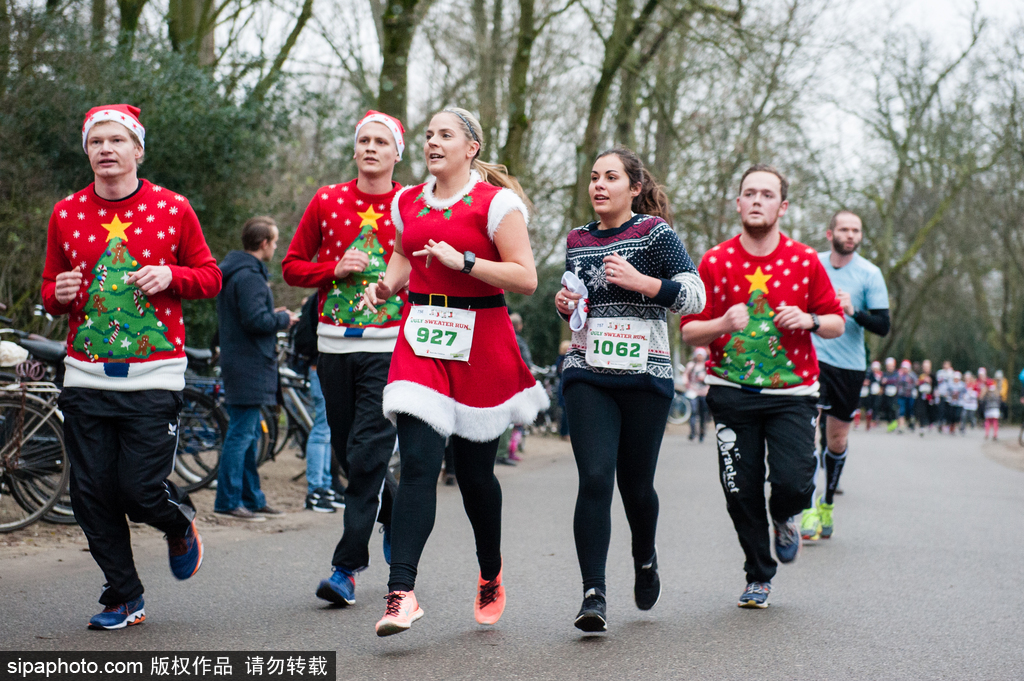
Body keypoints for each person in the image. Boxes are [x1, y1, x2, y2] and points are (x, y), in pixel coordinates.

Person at [361, 107, 548, 636]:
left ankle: (490, 570)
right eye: (428, 135)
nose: (433, 142)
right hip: (421, 336)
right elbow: (402, 256)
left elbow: (525, 277)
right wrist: (386, 287)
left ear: (472, 148)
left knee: (474, 476)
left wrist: (463, 261)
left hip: (481, 340)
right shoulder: (407, 201)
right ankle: (402, 593)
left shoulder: (496, 204)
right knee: (418, 464)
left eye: (446, 135)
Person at [41, 104, 221, 629]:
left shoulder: (173, 208)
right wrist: (60, 293)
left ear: (137, 149)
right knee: (92, 494)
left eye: (116, 140)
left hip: (155, 374)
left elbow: (210, 277)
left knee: (139, 490)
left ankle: (178, 521)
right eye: (96, 142)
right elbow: (50, 290)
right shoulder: (66, 213)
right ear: (88, 152)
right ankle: (123, 596)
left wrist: (171, 276)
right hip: (85, 375)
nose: (106, 150)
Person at [554, 147, 705, 632]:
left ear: (634, 188)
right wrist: (565, 303)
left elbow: (695, 295)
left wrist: (645, 283)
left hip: (644, 374)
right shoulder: (577, 238)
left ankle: (644, 557)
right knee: (595, 478)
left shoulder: (655, 234)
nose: (599, 185)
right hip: (587, 371)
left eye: (611, 177)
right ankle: (592, 593)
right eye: (594, 177)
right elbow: (579, 302)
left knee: (635, 486)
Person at [680, 164, 844, 609]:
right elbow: (689, 331)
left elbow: (835, 322)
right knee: (739, 489)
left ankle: (786, 514)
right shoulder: (715, 260)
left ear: (782, 207)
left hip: (792, 394)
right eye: (749, 193)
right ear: (738, 204)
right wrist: (721, 322)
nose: (757, 200)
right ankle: (758, 574)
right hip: (730, 391)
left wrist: (808, 319)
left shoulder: (806, 260)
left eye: (766, 194)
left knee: (792, 482)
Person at [281, 111, 406, 606]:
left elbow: (428, 265)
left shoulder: (411, 204)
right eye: (364, 141)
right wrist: (334, 269)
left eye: (382, 142)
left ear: (397, 154)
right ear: (354, 150)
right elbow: (291, 267)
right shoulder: (327, 200)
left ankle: (346, 567)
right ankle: (393, 513)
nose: (371, 148)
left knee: (369, 452)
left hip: (390, 346)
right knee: (348, 455)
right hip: (333, 345)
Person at [798, 210, 889, 542]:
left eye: (856, 230)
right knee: (807, 435)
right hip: (812, 359)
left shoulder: (870, 273)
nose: (850, 235)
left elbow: (883, 326)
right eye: (844, 229)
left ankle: (827, 503)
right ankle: (807, 507)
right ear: (829, 233)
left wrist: (855, 312)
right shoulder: (811, 262)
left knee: (836, 439)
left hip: (849, 367)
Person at [214, 217, 297, 521]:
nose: (275, 247)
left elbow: (248, 315)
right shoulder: (249, 276)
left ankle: (252, 498)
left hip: (241, 362)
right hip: (249, 364)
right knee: (240, 435)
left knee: (246, 434)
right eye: (274, 242)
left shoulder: (236, 272)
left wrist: (269, 314)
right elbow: (254, 321)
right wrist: (282, 319)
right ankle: (227, 501)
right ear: (264, 244)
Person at [685, 347, 711, 442]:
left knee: (703, 413)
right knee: (693, 411)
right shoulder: (691, 365)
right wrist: (687, 385)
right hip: (693, 392)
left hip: (704, 392)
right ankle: (692, 432)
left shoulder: (707, 365)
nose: (699, 357)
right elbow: (685, 376)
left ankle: (702, 432)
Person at [896, 360, 917, 433]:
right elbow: (896, 383)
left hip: (910, 396)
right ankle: (901, 427)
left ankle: (911, 423)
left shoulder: (912, 375)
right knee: (901, 411)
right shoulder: (899, 375)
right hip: (901, 396)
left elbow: (916, 383)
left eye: (906, 368)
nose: (904, 370)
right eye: (903, 368)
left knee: (910, 411)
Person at [916, 359, 936, 435]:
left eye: (927, 367)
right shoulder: (920, 375)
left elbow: (935, 385)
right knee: (921, 411)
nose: (925, 368)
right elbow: (917, 384)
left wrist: (930, 381)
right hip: (921, 396)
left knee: (930, 410)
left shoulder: (933, 375)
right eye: (924, 367)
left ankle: (930, 423)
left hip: (930, 396)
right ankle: (921, 427)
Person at [880, 357, 900, 429]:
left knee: (894, 408)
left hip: (894, 394)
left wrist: (887, 381)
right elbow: (881, 382)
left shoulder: (896, 373)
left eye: (891, 366)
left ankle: (895, 422)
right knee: (887, 408)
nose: (889, 367)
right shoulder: (884, 374)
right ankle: (889, 423)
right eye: (888, 366)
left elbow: (896, 380)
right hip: (886, 394)